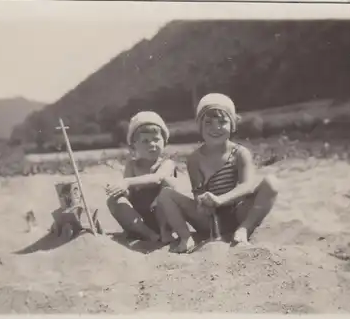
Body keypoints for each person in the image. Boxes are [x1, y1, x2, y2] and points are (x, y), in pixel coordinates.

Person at [156, 93, 279, 253]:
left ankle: (244, 229)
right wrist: (203, 202)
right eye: (208, 123)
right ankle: (186, 237)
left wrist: (220, 200)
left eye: (222, 122)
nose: (216, 128)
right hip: (209, 220)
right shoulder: (194, 159)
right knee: (166, 194)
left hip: (237, 213)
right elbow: (198, 192)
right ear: (200, 126)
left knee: (272, 182)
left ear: (233, 125)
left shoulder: (240, 153)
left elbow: (247, 186)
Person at [106, 111, 177, 243]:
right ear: (134, 146)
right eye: (145, 141)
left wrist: (127, 182)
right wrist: (119, 189)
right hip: (139, 218)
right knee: (114, 200)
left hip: (162, 214)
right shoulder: (132, 165)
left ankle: (165, 232)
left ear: (164, 141)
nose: (152, 144)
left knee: (169, 184)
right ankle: (148, 234)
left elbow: (158, 178)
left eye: (156, 139)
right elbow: (128, 192)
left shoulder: (167, 163)